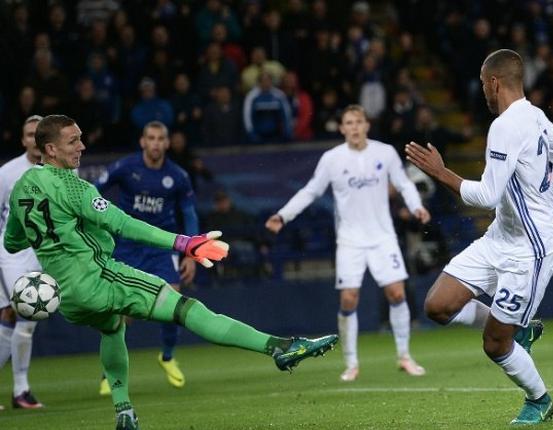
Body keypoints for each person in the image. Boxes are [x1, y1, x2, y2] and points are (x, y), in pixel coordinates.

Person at [3, 115, 337, 429]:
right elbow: (122, 223)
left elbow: (13, 241)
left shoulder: (21, 188)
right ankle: (280, 348)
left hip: (69, 297)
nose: (82, 147)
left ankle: (124, 409)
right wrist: (184, 243)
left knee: (112, 329)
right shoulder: (75, 188)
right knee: (188, 309)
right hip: (100, 278)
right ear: (50, 149)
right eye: (73, 141)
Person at [405, 49, 553, 425]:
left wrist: (441, 172)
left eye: (484, 84)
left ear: (494, 83)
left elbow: (486, 195)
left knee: (496, 344)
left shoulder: (505, 126)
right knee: (438, 307)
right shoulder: (535, 114)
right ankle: (521, 326)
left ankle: (539, 400)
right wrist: (552, 203)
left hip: (529, 250)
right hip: (501, 236)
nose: (483, 91)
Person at [265, 105, 430, 382]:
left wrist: (416, 207)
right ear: (342, 128)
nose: (354, 127)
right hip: (350, 240)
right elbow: (311, 191)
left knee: (397, 294)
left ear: (367, 125)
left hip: (382, 237)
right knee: (349, 298)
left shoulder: (385, 152)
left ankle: (404, 356)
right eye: (348, 123)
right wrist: (283, 215)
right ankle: (351, 363)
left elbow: (403, 184)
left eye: (359, 122)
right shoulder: (332, 159)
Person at [95, 121, 197, 394]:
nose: (155, 143)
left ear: (167, 143)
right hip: (127, 246)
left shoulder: (177, 176)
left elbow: (189, 215)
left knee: (173, 305)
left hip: (161, 248)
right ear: (143, 141)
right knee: (122, 313)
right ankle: (110, 372)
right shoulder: (125, 168)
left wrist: (191, 253)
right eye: (150, 138)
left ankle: (167, 356)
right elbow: (93, 192)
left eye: (160, 138)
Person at [0, 115, 45, 410]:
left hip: (44, 255)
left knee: (8, 321)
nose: (34, 140)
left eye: (39, 135)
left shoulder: (64, 173)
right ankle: (21, 390)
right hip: (12, 254)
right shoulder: (7, 173)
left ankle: (20, 391)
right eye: (30, 134)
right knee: (24, 317)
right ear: (23, 139)